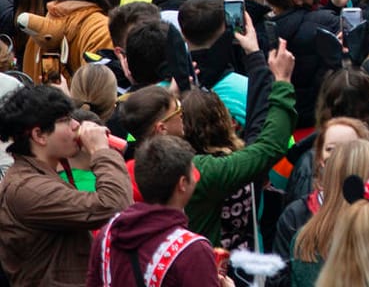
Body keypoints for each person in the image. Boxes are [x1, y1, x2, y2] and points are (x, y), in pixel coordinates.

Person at [0, 84, 132, 287]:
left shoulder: (39, 175)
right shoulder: (27, 188)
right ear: (39, 135)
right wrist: (100, 151)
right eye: (64, 120)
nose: (76, 126)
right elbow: (114, 205)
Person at [87, 135, 220, 287]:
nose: (196, 178)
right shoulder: (193, 251)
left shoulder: (107, 235)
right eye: (192, 173)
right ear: (183, 183)